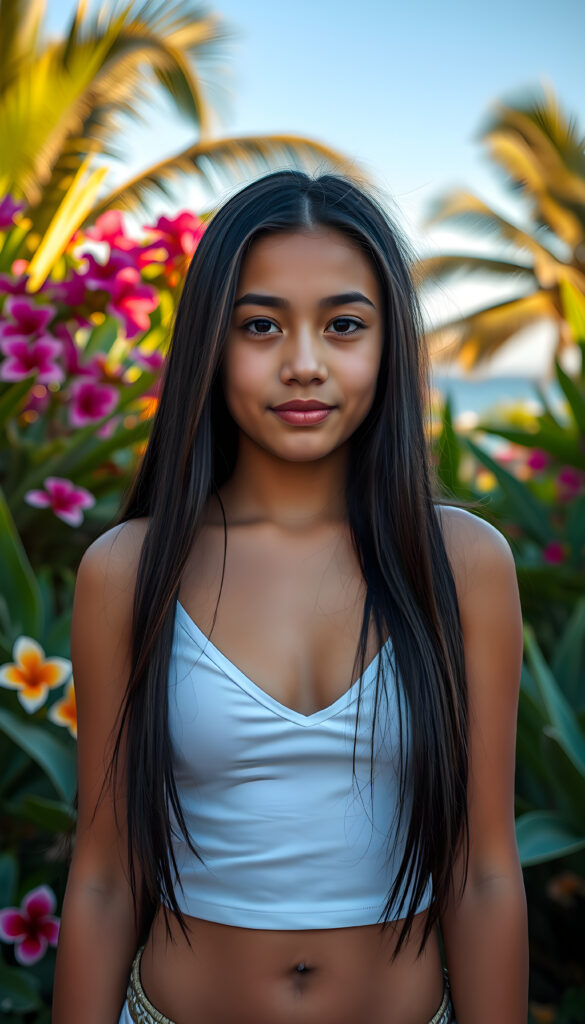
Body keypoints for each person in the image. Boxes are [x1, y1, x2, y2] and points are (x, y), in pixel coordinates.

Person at [52, 170, 529, 1024]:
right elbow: (103, 876)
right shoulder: (128, 571)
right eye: (260, 326)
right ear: (210, 340)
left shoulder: (462, 565)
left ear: (389, 346)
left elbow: (483, 870)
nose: (303, 364)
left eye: (343, 325)